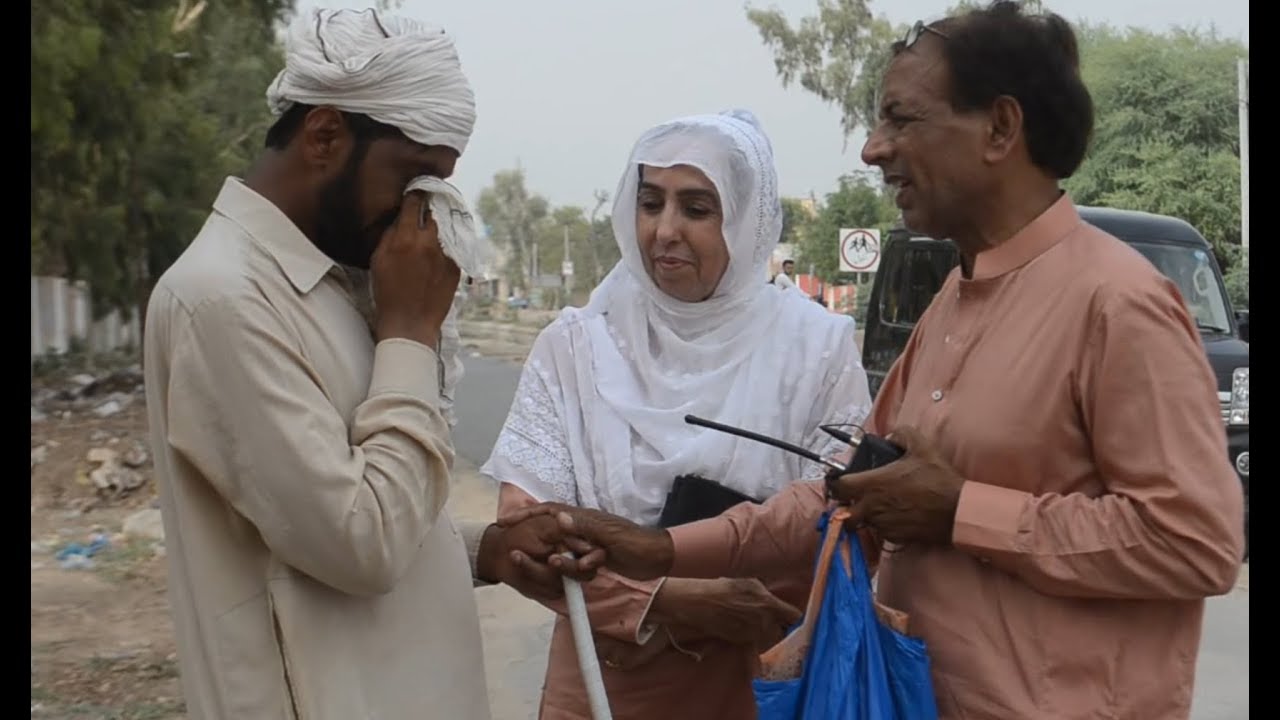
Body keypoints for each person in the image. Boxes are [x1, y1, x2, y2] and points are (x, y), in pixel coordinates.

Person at [508, 4, 1246, 719]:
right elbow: (846, 496)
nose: (872, 148)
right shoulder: (958, 300)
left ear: (1000, 127)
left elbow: (1197, 543)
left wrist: (962, 512)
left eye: (901, 118)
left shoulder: (1116, 302)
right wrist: (662, 548)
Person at [142, 9, 599, 720]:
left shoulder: (336, 285)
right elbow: (361, 542)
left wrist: (487, 551)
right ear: (325, 135)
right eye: (415, 178)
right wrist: (412, 333)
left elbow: (329, 518)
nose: (424, 210)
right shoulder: (222, 300)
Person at [481, 110, 875, 719]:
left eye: (696, 208)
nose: (664, 231)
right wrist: (666, 600)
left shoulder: (816, 348)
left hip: (762, 678)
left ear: (746, 222)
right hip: (601, 678)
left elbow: (838, 518)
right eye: (649, 203)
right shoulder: (577, 346)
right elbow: (524, 540)